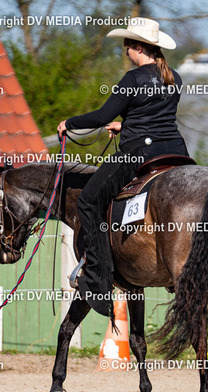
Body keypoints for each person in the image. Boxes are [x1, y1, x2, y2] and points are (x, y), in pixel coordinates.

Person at [57, 18, 190, 318]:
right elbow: (155, 116)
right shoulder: (175, 78)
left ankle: (97, 274)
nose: (126, 51)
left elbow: (102, 115)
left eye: (127, 46)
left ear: (139, 48)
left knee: (88, 201)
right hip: (176, 152)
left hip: (139, 154)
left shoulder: (133, 79)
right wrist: (126, 125)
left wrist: (69, 123)